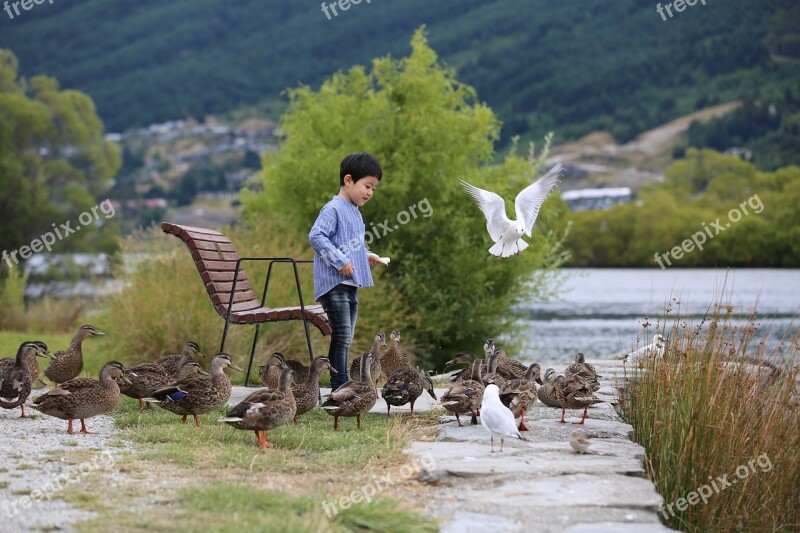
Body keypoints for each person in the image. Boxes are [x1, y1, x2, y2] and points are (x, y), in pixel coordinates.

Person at [309, 152, 383, 390]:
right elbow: (316, 236)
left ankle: (340, 384)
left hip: (349, 283)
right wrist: (340, 261)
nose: (370, 193)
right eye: (367, 186)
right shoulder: (334, 208)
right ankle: (339, 386)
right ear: (349, 180)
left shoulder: (354, 212)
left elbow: (352, 244)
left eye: (373, 188)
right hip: (333, 283)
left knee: (346, 337)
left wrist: (366, 255)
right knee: (341, 336)